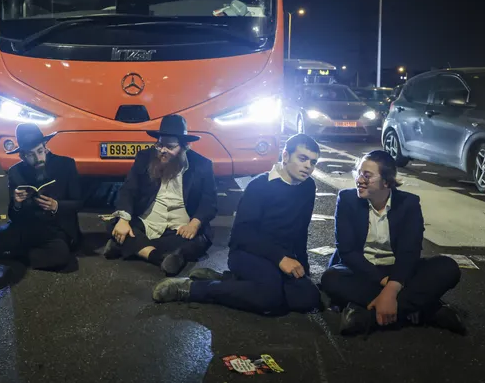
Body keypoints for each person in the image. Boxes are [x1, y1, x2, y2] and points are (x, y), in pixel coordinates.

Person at [153, 134, 322, 315]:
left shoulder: (308, 187)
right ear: (286, 156)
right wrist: (280, 258)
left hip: (283, 257)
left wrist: (304, 271)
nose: (308, 166)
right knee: (269, 297)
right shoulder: (260, 185)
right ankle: (192, 288)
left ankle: (233, 283)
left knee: (308, 298)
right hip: (248, 252)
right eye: (302, 159)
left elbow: (301, 232)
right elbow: (243, 235)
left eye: (313, 162)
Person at [321, 150, 464, 336]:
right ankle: (423, 310)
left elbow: (409, 252)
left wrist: (393, 286)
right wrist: (387, 286)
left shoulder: (408, 203)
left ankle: (367, 316)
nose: (359, 180)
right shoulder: (347, 199)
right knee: (331, 278)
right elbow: (347, 252)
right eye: (359, 173)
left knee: (447, 267)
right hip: (363, 270)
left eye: (367, 175)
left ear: (387, 182)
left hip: (398, 270)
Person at [104, 114, 217, 276]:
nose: (163, 150)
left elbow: (209, 201)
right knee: (115, 223)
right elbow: (128, 189)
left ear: (184, 147)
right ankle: (161, 257)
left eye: (170, 147)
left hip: (181, 226)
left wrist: (194, 224)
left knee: (201, 238)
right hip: (148, 221)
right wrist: (123, 220)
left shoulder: (202, 164)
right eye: (160, 145)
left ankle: (126, 245)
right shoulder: (145, 157)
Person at [0, 123, 82, 271]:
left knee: (60, 255)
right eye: (31, 155)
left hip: (56, 229)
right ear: (22, 156)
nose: (38, 158)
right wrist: (17, 204)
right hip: (26, 228)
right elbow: (13, 216)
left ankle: (17, 254)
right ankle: (20, 253)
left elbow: (78, 202)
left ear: (45, 147)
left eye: (39, 151)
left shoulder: (66, 164)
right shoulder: (15, 172)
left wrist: (56, 206)